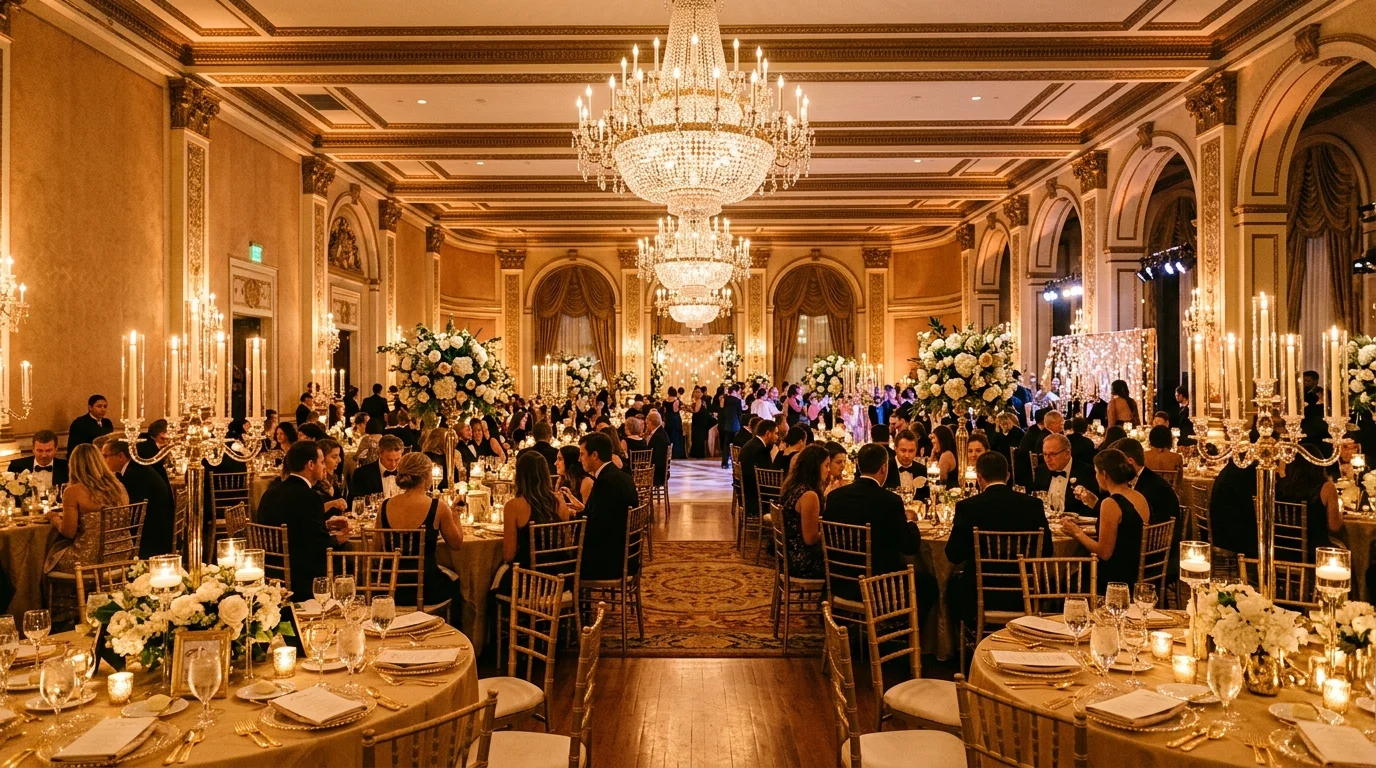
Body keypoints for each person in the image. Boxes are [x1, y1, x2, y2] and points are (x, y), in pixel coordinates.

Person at [944, 451, 1053, 625]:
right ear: (1008, 476)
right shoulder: (1033, 505)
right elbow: (1047, 551)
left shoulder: (967, 507)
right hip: (1025, 590)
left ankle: (968, 643)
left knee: (951, 587)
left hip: (980, 592)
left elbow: (953, 554)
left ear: (979, 477)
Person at [824, 444, 930, 606]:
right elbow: (909, 546)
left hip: (839, 579)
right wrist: (910, 521)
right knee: (930, 585)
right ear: (884, 468)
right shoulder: (890, 501)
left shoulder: (835, 497)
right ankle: (901, 627)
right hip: (879, 586)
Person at [257, 440, 351, 598]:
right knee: (348, 559)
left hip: (271, 570)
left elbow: (294, 526)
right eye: (321, 462)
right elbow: (316, 544)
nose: (323, 466)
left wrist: (325, 525)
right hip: (302, 576)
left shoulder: (270, 492)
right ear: (310, 464)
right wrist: (339, 538)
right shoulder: (309, 496)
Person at [376, 452, 462, 608]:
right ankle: (448, 630)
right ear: (426, 476)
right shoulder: (438, 507)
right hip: (427, 587)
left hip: (389, 586)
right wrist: (456, 515)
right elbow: (456, 544)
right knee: (457, 585)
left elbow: (377, 550)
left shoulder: (384, 506)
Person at [1061, 449, 1149, 591]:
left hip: (1115, 578)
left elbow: (1104, 553)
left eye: (1096, 472)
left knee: (1063, 579)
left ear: (1104, 475)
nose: (1095, 477)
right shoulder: (1138, 496)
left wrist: (1076, 532)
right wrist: (1093, 502)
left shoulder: (1110, 503)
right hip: (1137, 569)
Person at [45, 443, 130, 574]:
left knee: (47, 559)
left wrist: (54, 518)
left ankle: (50, 594)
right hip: (122, 555)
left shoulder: (73, 491)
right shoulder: (118, 487)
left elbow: (68, 532)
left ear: (73, 465)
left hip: (89, 560)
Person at [495, 451, 571, 595]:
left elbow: (508, 555)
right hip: (559, 579)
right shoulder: (560, 503)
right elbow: (566, 545)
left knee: (492, 587)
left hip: (528, 582)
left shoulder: (514, 506)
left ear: (520, 476)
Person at [96, 436, 173, 558]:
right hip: (159, 531)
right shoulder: (135, 469)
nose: (102, 461)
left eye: (105, 456)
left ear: (120, 456)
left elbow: (129, 513)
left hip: (150, 540)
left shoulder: (133, 475)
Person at [577, 432, 640, 580]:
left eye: (582, 454)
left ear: (594, 455)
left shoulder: (605, 482)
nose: (580, 459)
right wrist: (583, 510)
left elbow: (596, 526)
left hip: (611, 561)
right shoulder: (622, 476)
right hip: (627, 555)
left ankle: (575, 603)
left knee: (561, 565)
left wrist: (572, 517)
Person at [1276, 451, 1341, 561]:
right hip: (1315, 552)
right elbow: (1334, 526)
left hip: (1282, 551)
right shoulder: (1327, 487)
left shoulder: (1279, 486)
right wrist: (1341, 513)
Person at [779, 444, 829, 579]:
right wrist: (830, 533)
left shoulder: (793, 487)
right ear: (815, 467)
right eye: (826, 465)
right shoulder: (809, 495)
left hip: (790, 555)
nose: (828, 470)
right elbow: (810, 539)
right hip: (803, 561)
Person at [1032, 433, 1098, 516]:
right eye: (1045, 454)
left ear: (1067, 453)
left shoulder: (1086, 472)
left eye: (1052, 454)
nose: (1047, 459)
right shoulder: (1041, 471)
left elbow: (1093, 508)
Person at [738, 418, 779, 524]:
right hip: (755, 499)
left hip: (746, 495)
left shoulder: (752, 444)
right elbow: (767, 479)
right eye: (775, 434)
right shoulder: (760, 450)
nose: (777, 437)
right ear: (768, 433)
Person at [350, 434, 406, 501]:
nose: (393, 464)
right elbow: (357, 502)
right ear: (380, 454)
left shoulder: (407, 473)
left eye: (397, 459)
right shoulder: (362, 474)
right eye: (389, 460)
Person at [314, 437, 350, 515]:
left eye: (339, 456)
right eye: (334, 457)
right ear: (321, 458)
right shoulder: (315, 482)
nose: (339, 460)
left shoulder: (335, 478)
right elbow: (312, 511)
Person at [136, 419, 171, 487]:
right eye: (162, 439)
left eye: (168, 439)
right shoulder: (145, 449)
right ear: (153, 437)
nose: (166, 442)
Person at [718, 384, 744, 467]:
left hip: (727, 425)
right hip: (736, 425)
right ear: (734, 391)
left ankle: (724, 462)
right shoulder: (737, 401)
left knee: (726, 445)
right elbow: (739, 414)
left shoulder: (725, 400)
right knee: (737, 445)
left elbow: (722, 410)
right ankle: (737, 462)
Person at [688, 386, 716, 459]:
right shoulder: (700, 401)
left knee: (698, 437)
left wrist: (689, 409)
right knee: (697, 437)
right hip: (699, 421)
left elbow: (696, 411)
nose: (697, 393)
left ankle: (698, 453)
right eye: (696, 392)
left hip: (699, 422)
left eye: (698, 392)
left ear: (701, 393)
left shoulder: (699, 401)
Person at [646, 410, 670, 487]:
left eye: (647, 423)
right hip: (661, 471)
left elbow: (652, 456)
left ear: (650, 422)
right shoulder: (661, 432)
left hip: (657, 474)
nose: (646, 426)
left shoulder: (657, 436)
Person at [663, 387, 686, 459]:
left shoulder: (665, 401)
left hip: (668, 419)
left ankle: (669, 453)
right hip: (675, 419)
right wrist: (680, 408)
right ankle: (677, 453)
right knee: (676, 435)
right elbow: (675, 410)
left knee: (669, 435)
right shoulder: (676, 400)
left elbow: (664, 411)